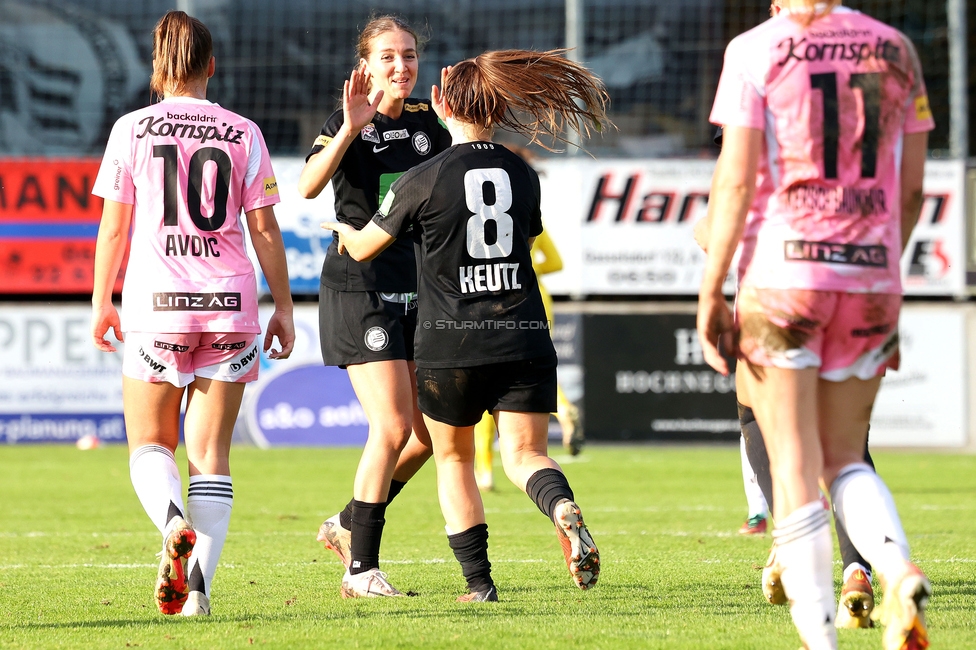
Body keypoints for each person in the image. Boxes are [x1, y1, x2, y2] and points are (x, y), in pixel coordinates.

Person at [323, 49, 610, 601]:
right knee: (526, 456)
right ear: (496, 107)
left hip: (450, 342)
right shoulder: (522, 172)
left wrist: (338, 225)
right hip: (525, 334)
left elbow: (362, 247)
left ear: (440, 103)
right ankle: (561, 506)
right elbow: (523, 242)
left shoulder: (423, 176)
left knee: (452, 458)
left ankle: (479, 585)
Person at [698, 0, 933, 648]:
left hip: (783, 274)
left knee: (797, 465)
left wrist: (714, 288)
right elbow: (912, 190)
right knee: (845, 457)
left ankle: (821, 640)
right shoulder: (897, 51)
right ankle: (895, 567)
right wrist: (881, 265)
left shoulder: (754, 49)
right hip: (870, 274)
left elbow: (737, 181)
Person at [90, 10, 295, 617]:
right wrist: (282, 307)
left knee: (150, 444)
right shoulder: (245, 131)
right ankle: (197, 592)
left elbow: (113, 229)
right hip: (231, 305)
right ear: (211, 65)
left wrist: (102, 300)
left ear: (158, 69)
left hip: (159, 306)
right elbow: (264, 229)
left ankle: (171, 521)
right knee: (211, 457)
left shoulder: (131, 129)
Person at [297, 15, 452, 598]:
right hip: (359, 287)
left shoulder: (431, 125)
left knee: (429, 435)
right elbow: (309, 186)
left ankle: (344, 524)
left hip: (419, 290)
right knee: (390, 425)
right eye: (388, 56)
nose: (401, 66)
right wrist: (348, 130)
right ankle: (361, 569)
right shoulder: (347, 119)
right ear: (366, 65)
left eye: (409, 55)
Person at [701, 128, 878, 628]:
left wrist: (711, 291)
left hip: (774, 308)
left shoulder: (743, 170)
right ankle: (858, 569)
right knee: (848, 447)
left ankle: (791, 539)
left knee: (755, 417)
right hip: (848, 304)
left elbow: (713, 234)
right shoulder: (836, 164)